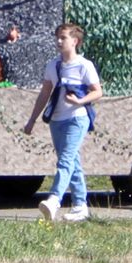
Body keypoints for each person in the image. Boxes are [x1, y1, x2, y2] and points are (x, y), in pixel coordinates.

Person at [23, 22, 103, 222]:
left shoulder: (84, 65)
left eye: (63, 37)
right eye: (57, 37)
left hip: (77, 118)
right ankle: (80, 206)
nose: (59, 41)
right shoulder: (53, 65)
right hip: (56, 120)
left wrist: (80, 101)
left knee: (65, 160)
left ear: (75, 41)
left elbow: (97, 92)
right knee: (72, 162)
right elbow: (44, 94)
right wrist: (32, 120)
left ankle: (54, 200)